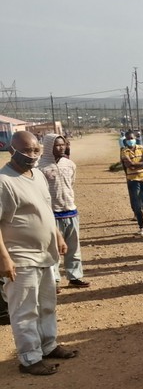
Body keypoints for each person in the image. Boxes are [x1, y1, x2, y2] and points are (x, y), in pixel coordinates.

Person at [0, 131, 78, 376]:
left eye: (35, 150)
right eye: (26, 150)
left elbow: (45, 208)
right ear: (11, 150)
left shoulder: (38, 176)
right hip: (20, 256)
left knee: (47, 304)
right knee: (24, 309)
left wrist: (57, 235)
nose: (32, 155)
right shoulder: (4, 181)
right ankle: (29, 358)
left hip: (45, 254)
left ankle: (48, 345)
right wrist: (4, 258)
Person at [37, 133, 90, 290]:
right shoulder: (40, 167)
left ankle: (75, 276)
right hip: (51, 214)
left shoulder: (70, 164)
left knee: (73, 247)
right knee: (52, 249)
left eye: (63, 144)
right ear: (48, 147)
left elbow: (71, 184)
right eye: (57, 145)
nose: (61, 147)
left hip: (70, 211)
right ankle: (54, 280)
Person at [120, 130, 143, 237]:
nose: (130, 140)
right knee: (136, 202)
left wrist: (134, 164)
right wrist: (139, 164)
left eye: (132, 138)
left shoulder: (142, 148)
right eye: (128, 139)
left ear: (135, 138)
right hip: (132, 179)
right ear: (125, 140)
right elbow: (128, 165)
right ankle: (142, 226)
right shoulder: (124, 151)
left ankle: (139, 211)